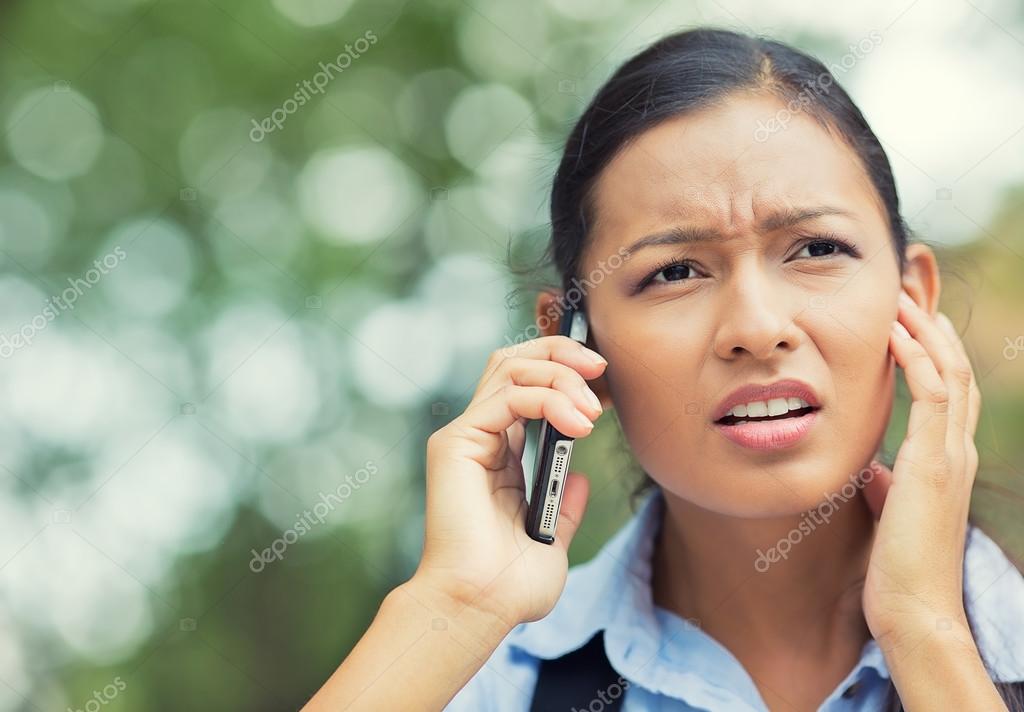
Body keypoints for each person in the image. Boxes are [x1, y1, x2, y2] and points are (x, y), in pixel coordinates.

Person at [303, 28, 1024, 711]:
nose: (757, 328)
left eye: (814, 250)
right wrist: (452, 609)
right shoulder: (486, 680)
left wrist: (927, 634)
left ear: (912, 300)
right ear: (577, 346)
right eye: (675, 270)